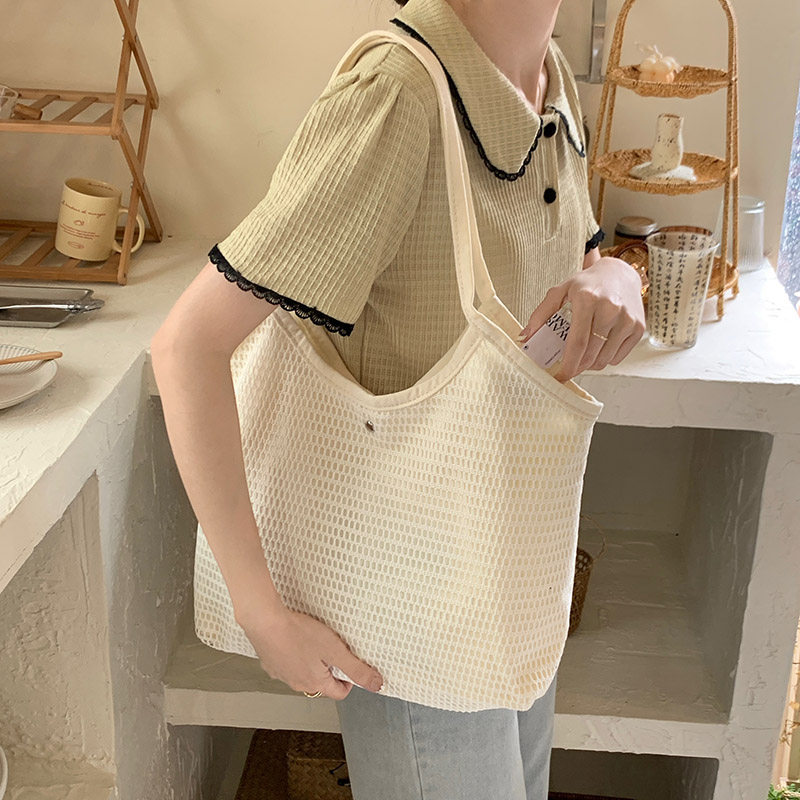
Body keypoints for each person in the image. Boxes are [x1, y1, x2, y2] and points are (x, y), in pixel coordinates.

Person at [150, 0, 646, 796]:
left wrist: (614, 273)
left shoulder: (548, 76)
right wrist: (261, 614)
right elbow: (187, 345)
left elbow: (568, 255)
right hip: (413, 603)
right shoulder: (399, 94)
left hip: (512, 569)